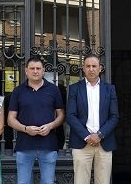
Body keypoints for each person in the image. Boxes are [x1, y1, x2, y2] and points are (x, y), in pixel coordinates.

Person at [7, 56, 65, 184]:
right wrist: (26, 129)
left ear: (43, 70)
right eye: (32, 68)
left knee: (48, 182)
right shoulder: (18, 91)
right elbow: (10, 119)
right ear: (26, 70)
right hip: (24, 145)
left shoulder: (53, 90)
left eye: (38, 68)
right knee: (23, 182)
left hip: (48, 145)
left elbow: (61, 115)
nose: (35, 71)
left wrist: (50, 126)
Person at [66, 54, 119, 184]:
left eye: (94, 66)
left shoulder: (110, 89)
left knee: (103, 181)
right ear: (83, 68)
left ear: (100, 68)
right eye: (88, 66)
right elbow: (70, 115)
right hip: (81, 143)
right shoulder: (74, 89)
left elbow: (114, 116)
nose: (91, 69)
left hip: (104, 143)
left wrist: (100, 135)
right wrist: (87, 136)